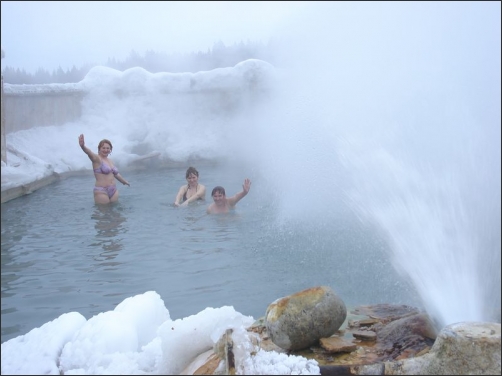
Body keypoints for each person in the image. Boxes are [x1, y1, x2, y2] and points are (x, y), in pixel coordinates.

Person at [78, 134, 130, 204]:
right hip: (101, 191)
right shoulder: (96, 159)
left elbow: (116, 174)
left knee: (116, 213)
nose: (106, 150)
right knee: (103, 213)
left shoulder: (110, 161)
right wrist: (83, 146)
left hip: (113, 190)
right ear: (99, 149)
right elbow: (89, 153)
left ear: (110, 149)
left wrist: (124, 182)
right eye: (103, 148)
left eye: (108, 148)